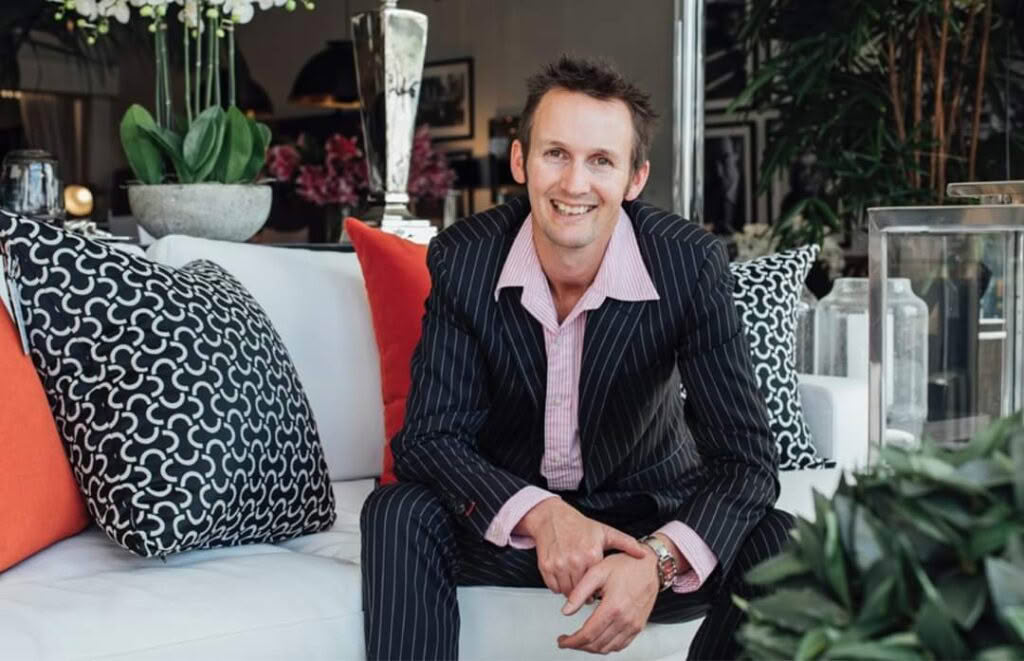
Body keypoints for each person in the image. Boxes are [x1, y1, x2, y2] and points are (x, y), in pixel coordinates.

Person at [360, 55, 792, 660]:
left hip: (643, 525)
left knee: (780, 542)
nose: (574, 184)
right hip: (514, 526)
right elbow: (429, 440)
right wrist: (543, 516)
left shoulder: (690, 264)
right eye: (556, 154)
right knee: (396, 510)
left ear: (635, 179)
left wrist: (658, 562)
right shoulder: (464, 258)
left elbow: (747, 462)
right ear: (520, 161)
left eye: (601, 161)